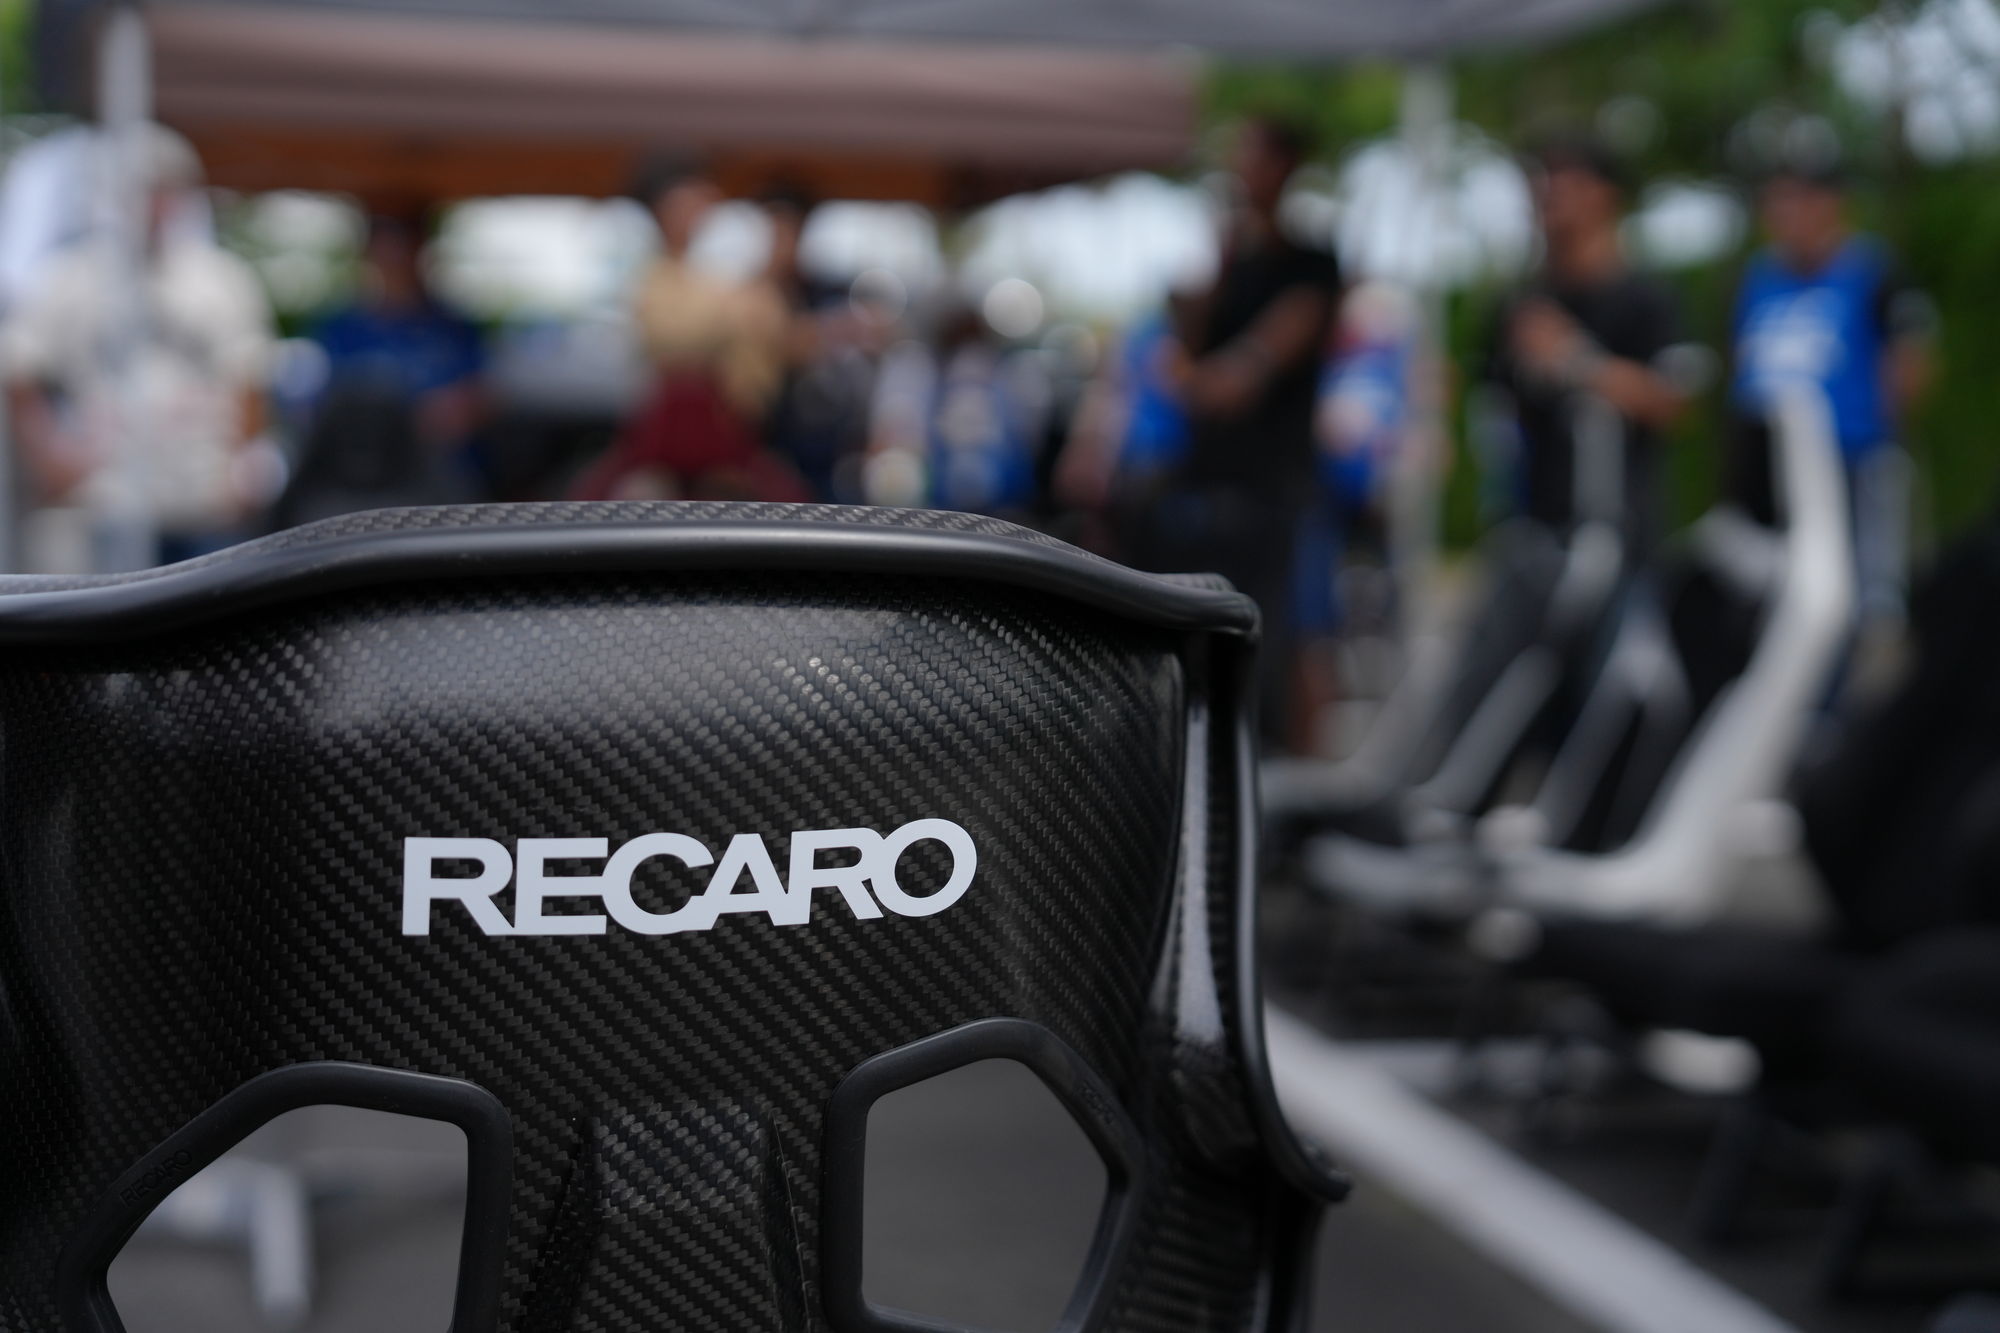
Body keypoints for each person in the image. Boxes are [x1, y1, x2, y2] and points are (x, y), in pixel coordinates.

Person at [1135, 115, 1344, 743]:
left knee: (1296, 636)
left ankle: (1303, 776)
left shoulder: (1311, 266)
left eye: (1250, 155)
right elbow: (1180, 362)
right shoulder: (1229, 263)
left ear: (1283, 166)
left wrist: (1197, 378)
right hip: (1213, 486)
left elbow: (1233, 379)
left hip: (1280, 487)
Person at [1, 124, 276, 569]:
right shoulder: (70, 278)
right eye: (144, 189)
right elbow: (18, 370)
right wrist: (52, 456)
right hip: (105, 502)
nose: (155, 204)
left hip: (200, 501)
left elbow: (250, 377)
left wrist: (241, 471)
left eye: (167, 189)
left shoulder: (220, 279)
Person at [1730, 159, 1935, 627]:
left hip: (1850, 459)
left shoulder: (1873, 269)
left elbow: (1909, 361)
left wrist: (1884, 437)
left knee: (1864, 587)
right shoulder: (1759, 276)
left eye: (1798, 199)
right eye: (1777, 202)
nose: (1786, 214)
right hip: (1769, 468)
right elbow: (1743, 360)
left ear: (1832, 204)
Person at [1483, 138, 1691, 556]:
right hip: (1533, 535)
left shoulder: (1646, 300)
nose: (1550, 196)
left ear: (1605, 194)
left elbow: (1672, 405)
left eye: (1565, 181)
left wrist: (1574, 359)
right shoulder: (1522, 307)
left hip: (1619, 535)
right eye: (1543, 183)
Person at [577, 162, 805, 502]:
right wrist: (728, 312)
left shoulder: (746, 278)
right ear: (663, 213)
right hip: (658, 445)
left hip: (735, 439)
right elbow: (667, 340)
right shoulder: (652, 277)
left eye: (706, 204)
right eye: (688, 204)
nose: (699, 214)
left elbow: (773, 337)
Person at [277, 212, 487, 526]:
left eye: (403, 248)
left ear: (421, 252)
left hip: (441, 491)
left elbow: (469, 407)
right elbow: (318, 415)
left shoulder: (454, 329)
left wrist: (400, 424)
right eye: (385, 250)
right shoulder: (339, 330)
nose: (394, 261)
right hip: (354, 494)